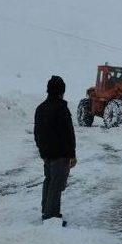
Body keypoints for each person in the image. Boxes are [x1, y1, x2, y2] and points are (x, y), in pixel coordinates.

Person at [34, 75, 77, 226]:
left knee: (49, 180)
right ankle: (51, 216)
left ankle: (46, 210)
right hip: (61, 154)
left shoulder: (40, 108)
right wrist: (72, 154)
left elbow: (37, 132)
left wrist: (42, 150)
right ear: (61, 91)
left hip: (47, 154)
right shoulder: (61, 108)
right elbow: (68, 133)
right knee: (56, 184)